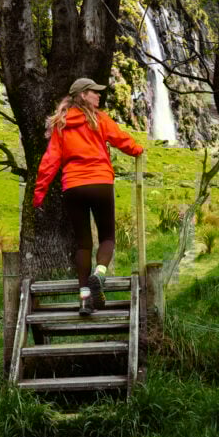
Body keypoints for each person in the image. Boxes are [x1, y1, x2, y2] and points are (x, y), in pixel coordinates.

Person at [33, 77, 143, 315]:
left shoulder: (61, 124)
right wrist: (137, 150)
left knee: (83, 244)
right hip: (101, 183)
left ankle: (84, 300)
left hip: (73, 187)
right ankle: (100, 274)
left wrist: (39, 195)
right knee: (108, 238)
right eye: (94, 92)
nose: (99, 96)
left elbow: (49, 161)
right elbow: (121, 139)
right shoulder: (99, 119)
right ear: (83, 95)